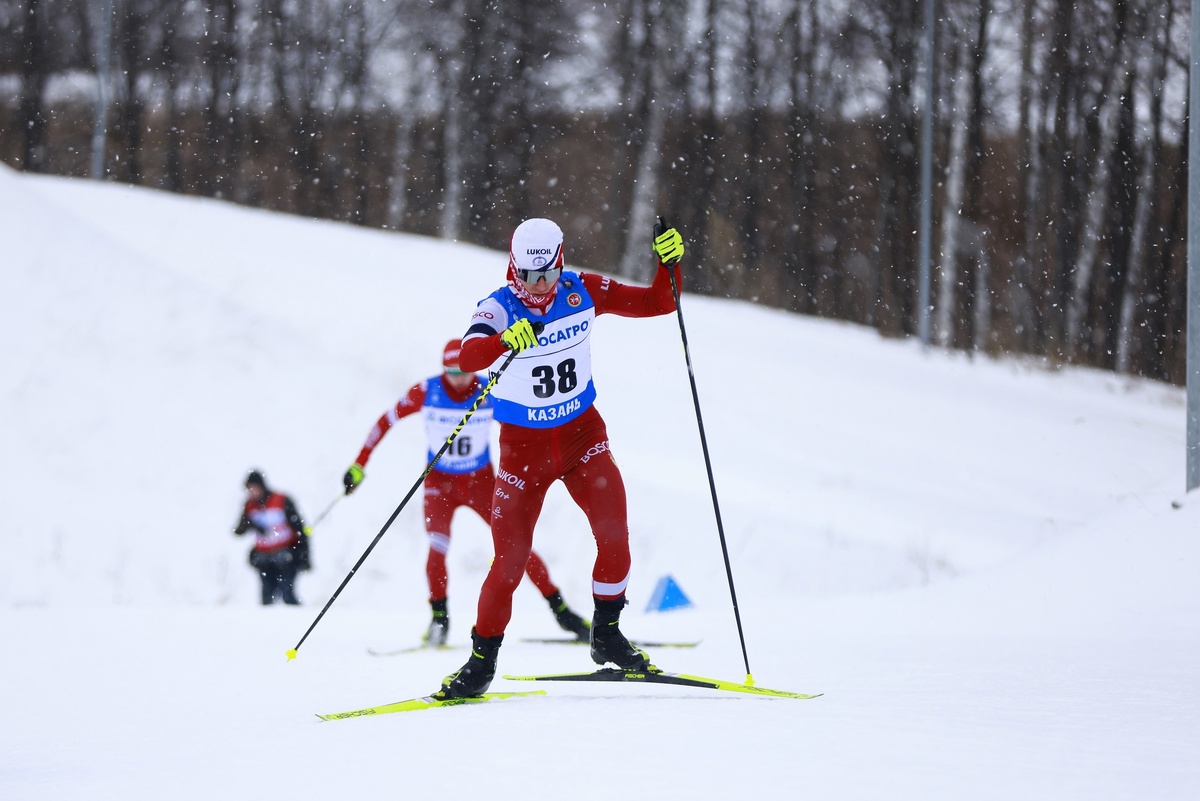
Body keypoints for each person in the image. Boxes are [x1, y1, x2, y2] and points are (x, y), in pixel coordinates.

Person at [438, 217, 685, 698]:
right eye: (526, 277)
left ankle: (607, 636)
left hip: (581, 438)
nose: (537, 287)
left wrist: (669, 265)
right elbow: (466, 358)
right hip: (523, 454)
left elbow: (659, 303)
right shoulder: (498, 308)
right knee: (508, 565)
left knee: (615, 538)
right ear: (512, 268)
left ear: (561, 263)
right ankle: (479, 664)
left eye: (546, 275)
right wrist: (504, 341)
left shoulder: (583, 291)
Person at [343, 339, 590, 646]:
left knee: (516, 546)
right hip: (439, 485)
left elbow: (530, 422)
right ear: (442, 370)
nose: (459, 378)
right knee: (437, 548)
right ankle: (439, 620)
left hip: (481, 484)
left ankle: (562, 611)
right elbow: (385, 421)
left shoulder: (489, 392)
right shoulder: (427, 392)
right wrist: (360, 464)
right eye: (452, 372)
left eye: (465, 371)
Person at [234, 470, 311, 605]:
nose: (252, 492)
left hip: (286, 556)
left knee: (287, 594)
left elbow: (300, 529)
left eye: (254, 488)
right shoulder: (249, 505)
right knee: (267, 596)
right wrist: (250, 524)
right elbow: (238, 530)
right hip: (264, 559)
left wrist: (304, 556)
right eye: (249, 489)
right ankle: (267, 624)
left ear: (262, 486)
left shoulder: (282, 501)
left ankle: (300, 621)